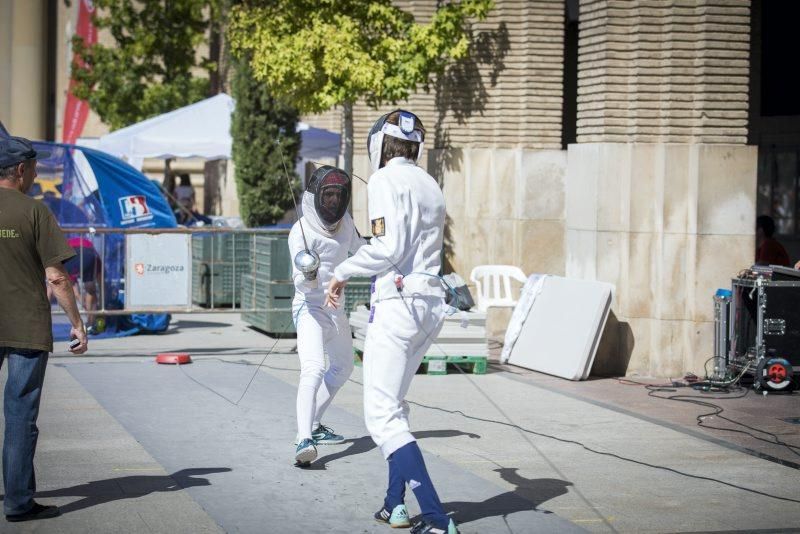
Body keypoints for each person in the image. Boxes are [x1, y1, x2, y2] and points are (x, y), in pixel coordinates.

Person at [326, 110, 458, 534]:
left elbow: (388, 247)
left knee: (381, 417)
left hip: (399, 304)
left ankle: (437, 519)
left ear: (380, 146)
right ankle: (393, 504)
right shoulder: (429, 182)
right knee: (395, 407)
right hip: (430, 304)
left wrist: (341, 271)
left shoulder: (384, 179)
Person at [0, 136, 88, 523]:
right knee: (19, 416)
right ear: (20, 170)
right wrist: (76, 324)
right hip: (25, 327)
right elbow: (57, 278)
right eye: (35, 167)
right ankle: (18, 503)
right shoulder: (34, 212)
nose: (36, 173)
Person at [289, 165, 365, 466]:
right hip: (309, 308)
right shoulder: (302, 231)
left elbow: (362, 249)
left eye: (339, 194)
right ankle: (303, 439)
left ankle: (316, 424)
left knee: (344, 366)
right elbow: (298, 280)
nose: (333, 201)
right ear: (316, 195)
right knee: (313, 368)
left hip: (336, 309)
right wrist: (309, 274)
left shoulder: (346, 223)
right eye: (328, 194)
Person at [63, 236, 102, 334]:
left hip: (70, 255)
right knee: (90, 290)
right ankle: (90, 322)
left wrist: (81, 302)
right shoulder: (96, 258)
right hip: (89, 255)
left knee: (52, 286)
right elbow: (101, 284)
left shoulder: (68, 245)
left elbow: (75, 291)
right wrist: (100, 305)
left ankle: (41, 321)